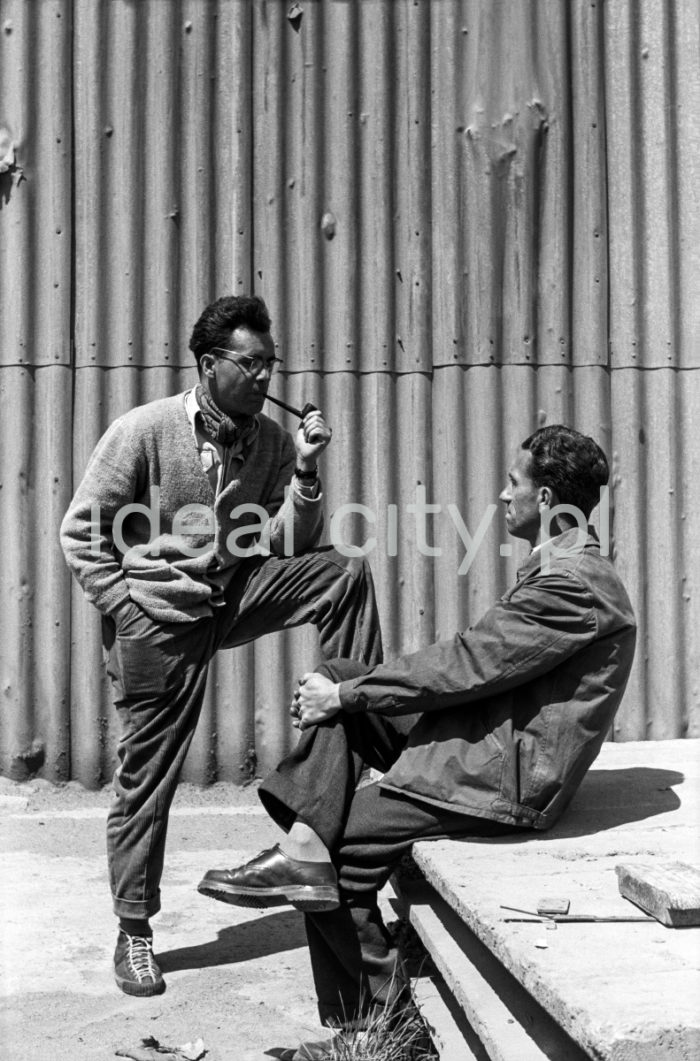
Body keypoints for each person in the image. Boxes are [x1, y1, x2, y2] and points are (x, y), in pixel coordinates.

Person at [198, 425, 637, 1058]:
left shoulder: (572, 585)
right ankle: (302, 844)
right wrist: (346, 691)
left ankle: (383, 1034)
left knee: (343, 852)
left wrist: (350, 700)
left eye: (513, 483)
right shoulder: (564, 570)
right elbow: (478, 672)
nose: (501, 495)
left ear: (544, 501)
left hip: (501, 778)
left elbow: (468, 664)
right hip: (485, 741)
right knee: (341, 674)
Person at [60, 294, 384, 998]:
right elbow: (81, 532)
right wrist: (123, 606)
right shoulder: (143, 431)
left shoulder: (268, 439)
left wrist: (304, 469)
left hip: (229, 595)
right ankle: (135, 930)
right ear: (209, 365)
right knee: (147, 776)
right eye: (251, 362)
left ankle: (353, 735)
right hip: (157, 619)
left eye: (270, 363)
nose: (266, 376)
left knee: (342, 574)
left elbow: (287, 543)